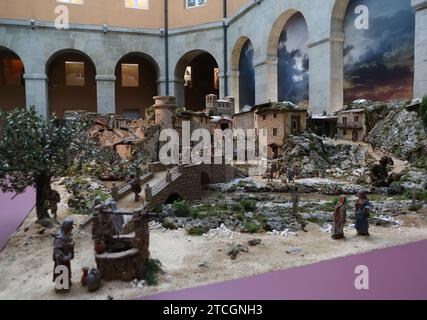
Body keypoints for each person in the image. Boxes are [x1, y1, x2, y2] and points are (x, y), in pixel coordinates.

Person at [53, 219, 75, 292]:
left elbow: (68, 242)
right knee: (61, 271)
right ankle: (60, 287)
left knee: (67, 270)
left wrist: (71, 245)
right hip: (61, 258)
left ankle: (67, 283)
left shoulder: (66, 234)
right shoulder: (59, 238)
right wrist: (64, 257)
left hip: (66, 255)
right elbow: (57, 250)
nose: (72, 228)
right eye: (71, 227)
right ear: (67, 227)